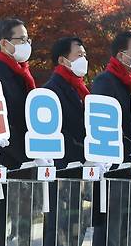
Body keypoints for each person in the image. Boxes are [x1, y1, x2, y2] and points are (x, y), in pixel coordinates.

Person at [90, 31, 131, 245]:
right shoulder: (106, 81)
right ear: (122, 55)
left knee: (129, 228)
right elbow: (105, 125)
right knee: (110, 232)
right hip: (112, 168)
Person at [0, 18, 35, 170]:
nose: (26, 45)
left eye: (28, 40)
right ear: (4, 43)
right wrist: (27, 156)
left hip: (26, 158)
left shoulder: (23, 75)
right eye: (22, 40)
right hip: (8, 163)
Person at [43, 36, 89, 169]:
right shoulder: (51, 90)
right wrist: (85, 155)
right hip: (65, 166)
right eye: (79, 55)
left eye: (85, 55)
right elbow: (58, 132)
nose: (84, 60)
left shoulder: (81, 88)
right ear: (62, 60)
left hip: (85, 165)